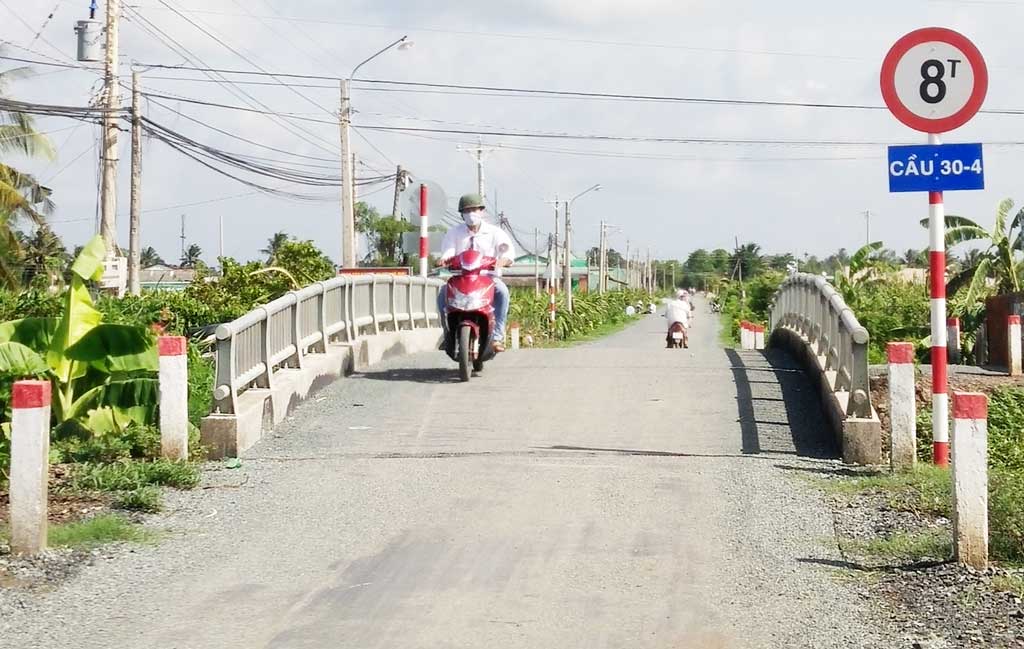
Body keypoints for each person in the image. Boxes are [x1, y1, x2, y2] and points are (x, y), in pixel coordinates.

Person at [437, 193, 516, 352]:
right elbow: (448, 251)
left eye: (474, 210)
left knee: (502, 292)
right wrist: (444, 260)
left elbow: (507, 252)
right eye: (467, 211)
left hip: (488, 279)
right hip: (461, 278)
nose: (471, 214)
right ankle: (448, 334)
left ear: (482, 211)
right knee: (442, 293)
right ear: (462, 214)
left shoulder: (495, 232)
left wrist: (502, 261)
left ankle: (497, 337)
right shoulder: (454, 233)